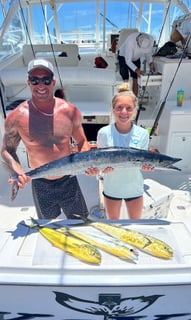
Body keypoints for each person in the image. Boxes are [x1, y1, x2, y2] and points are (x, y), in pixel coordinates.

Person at [1, 58, 90, 219]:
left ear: (53, 82)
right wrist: (18, 170)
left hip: (68, 179)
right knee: (48, 228)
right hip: (40, 182)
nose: (40, 85)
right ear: (28, 83)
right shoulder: (16, 117)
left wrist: (88, 163)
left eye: (46, 80)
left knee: (81, 223)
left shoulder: (70, 111)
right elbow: (7, 150)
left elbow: (82, 142)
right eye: (35, 80)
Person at [86, 83, 154, 220]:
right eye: (119, 108)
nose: (124, 112)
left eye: (129, 108)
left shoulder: (143, 134)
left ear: (135, 110)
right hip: (112, 189)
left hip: (135, 188)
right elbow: (100, 164)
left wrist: (147, 167)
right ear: (112, 109)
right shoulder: (103, 133)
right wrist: (100, 170)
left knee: (136, 225)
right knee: (113, 227)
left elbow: (142, 162)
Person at [118, 32, 155, 97]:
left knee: (136, 79)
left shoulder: (148, 40)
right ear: (138, 43)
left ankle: (134, 100)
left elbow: (148, 54)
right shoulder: (130, 42)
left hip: (136, 58)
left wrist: (151, 63)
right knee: (125, 79)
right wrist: (137, 70)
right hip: (123, 56)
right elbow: (128, 61)